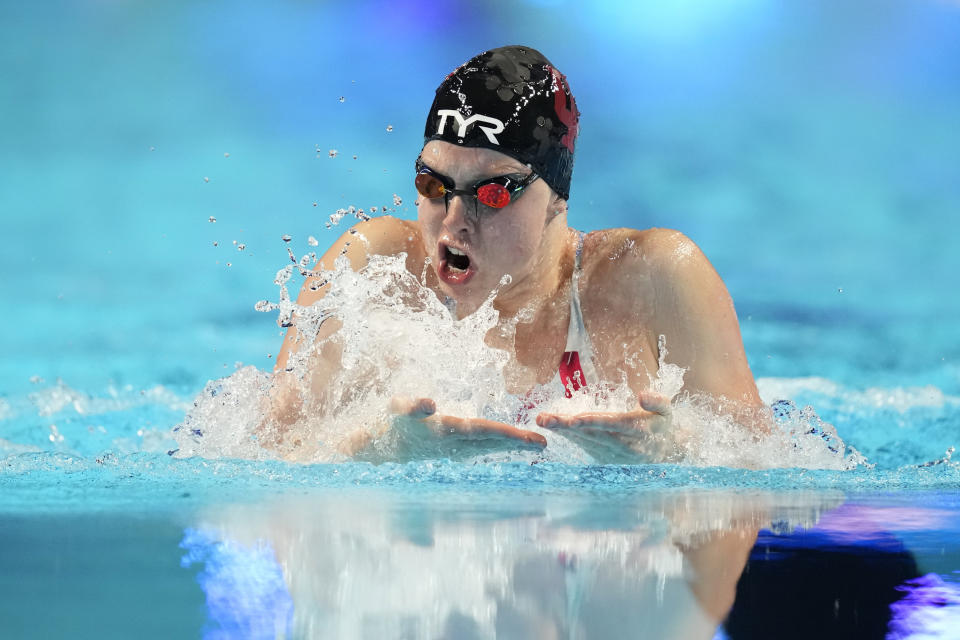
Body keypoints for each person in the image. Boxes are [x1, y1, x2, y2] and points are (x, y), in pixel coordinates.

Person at [265, 45, 764, 462]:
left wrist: (675, 452)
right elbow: (260, 453)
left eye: (493, 193)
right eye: (433, 184)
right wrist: (375, 448)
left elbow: (767, 466)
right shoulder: (375, 270)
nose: (455, 219)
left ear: (558, 198)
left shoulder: (657, 275)